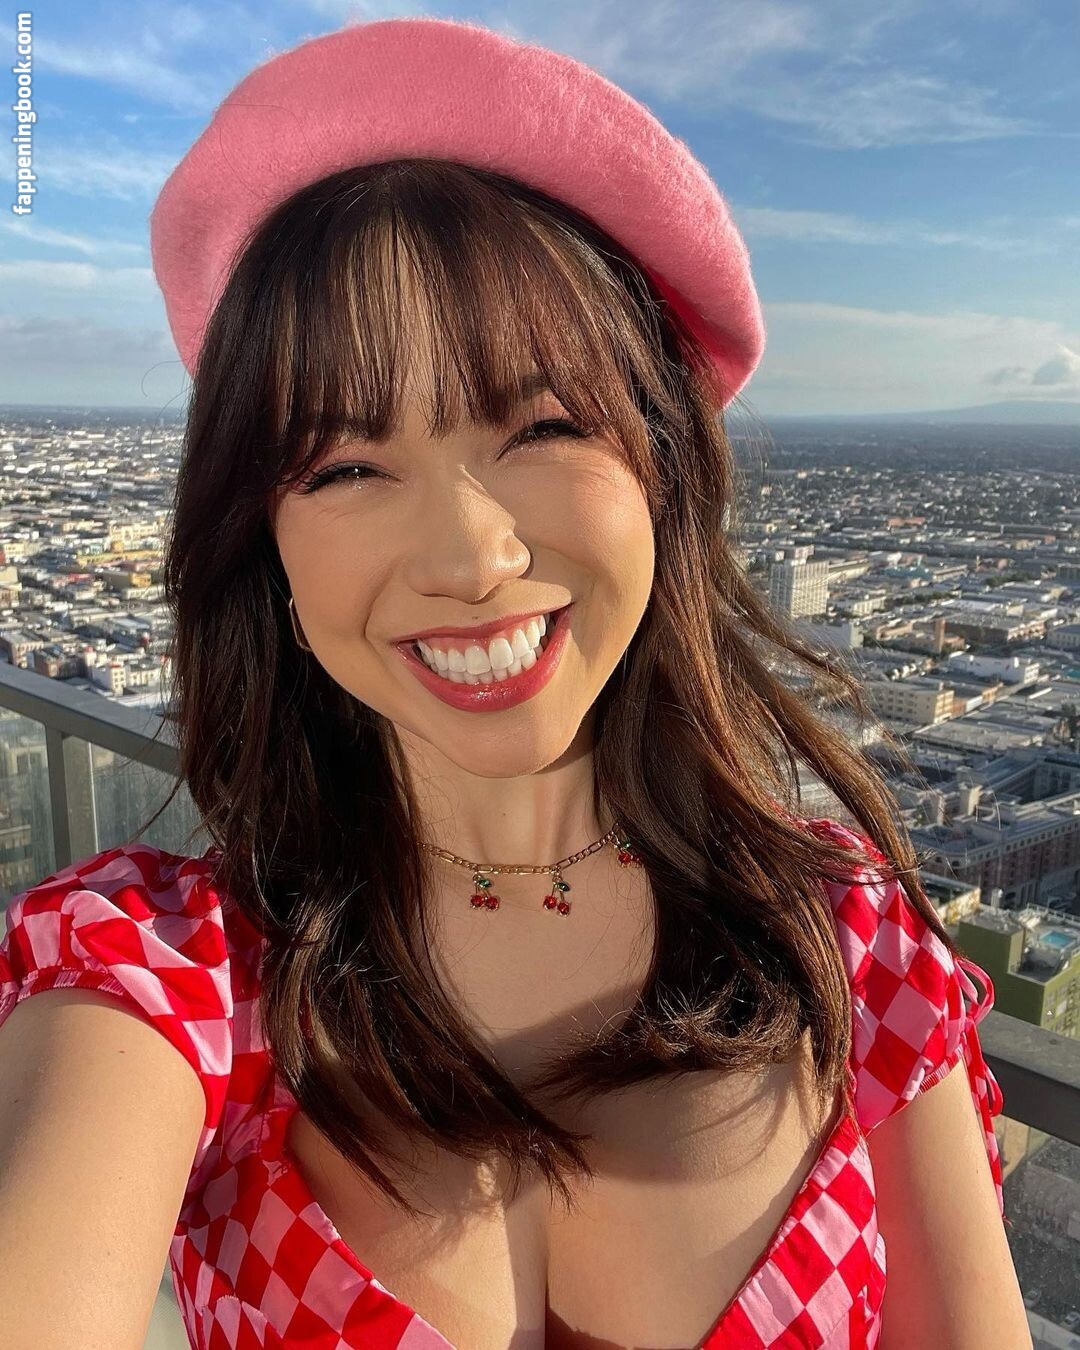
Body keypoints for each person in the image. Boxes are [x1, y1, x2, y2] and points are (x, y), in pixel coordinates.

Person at [0, 16, 1031, 1350]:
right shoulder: (167, 976)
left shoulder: (853, 945)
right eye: (347, 467)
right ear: (263, 539)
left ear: (661, 461)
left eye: (542, 426)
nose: (470, 558)